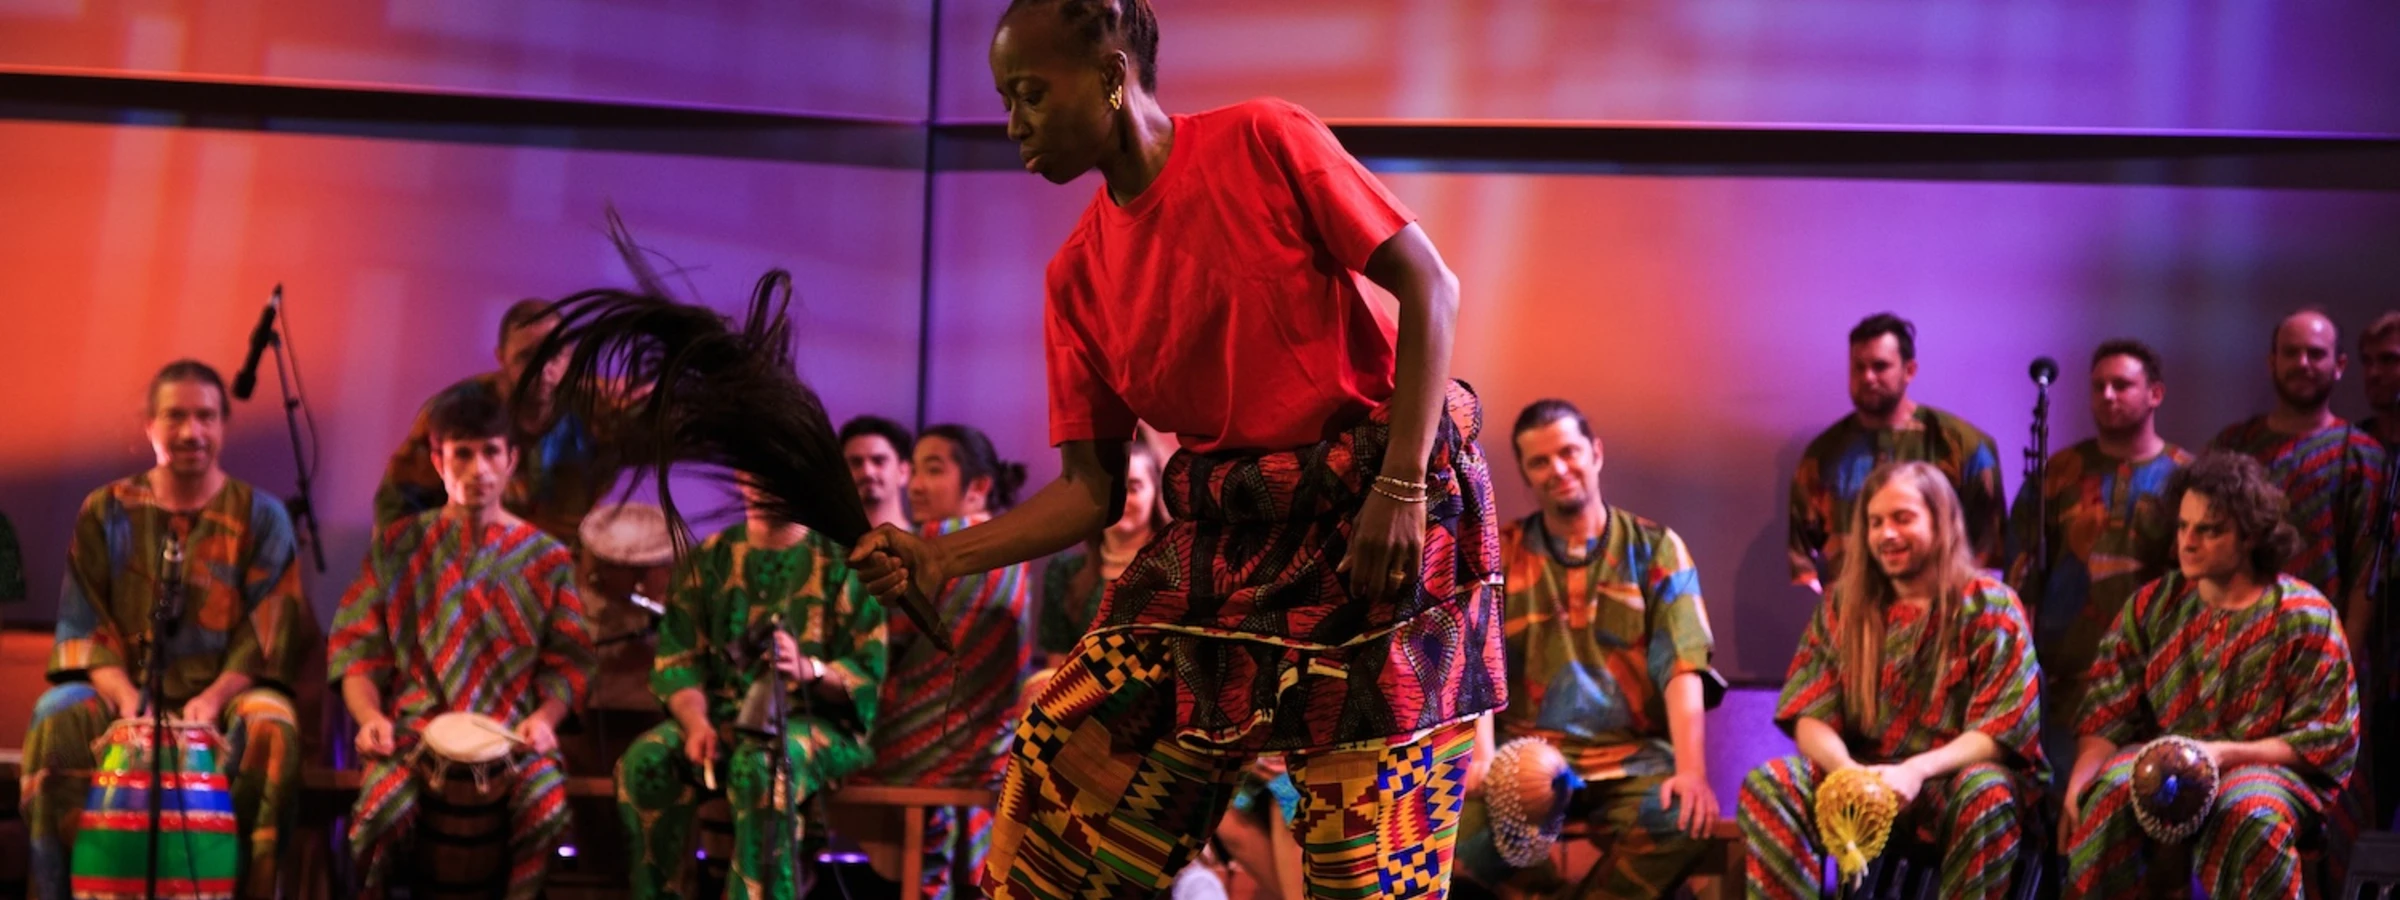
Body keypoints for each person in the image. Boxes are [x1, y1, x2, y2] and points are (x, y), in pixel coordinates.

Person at [848, 3, 1506, 898]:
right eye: (1006, 101)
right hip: (1229, 534)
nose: (1014, 125)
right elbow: (1088, 490)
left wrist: (1400, 489)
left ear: (1112, 78)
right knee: (1067, 766)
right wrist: (939, 557)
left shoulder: (1264, 139)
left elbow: (1430, 285)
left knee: (1363, 858)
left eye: (1031, 94)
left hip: (1375, 513)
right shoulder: (1077, 274)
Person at [20, 360, 313, 900]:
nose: (191, 432)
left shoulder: (262, 516)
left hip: (223, 696)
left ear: (223, 424)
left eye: (205, 416)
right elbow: (84, 620)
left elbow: (269, 630)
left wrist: (213, 699)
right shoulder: (106, 509)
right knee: (55, 715)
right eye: (175, 416)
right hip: (123, 693)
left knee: (273, 725)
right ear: (150, 425)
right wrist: (127, 698)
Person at [329, 380, 596, 900]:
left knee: (546, 806)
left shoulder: (547, 558)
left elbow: (570, 663)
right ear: (438, 460)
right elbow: (357, 649)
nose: (479, 470)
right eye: (463, 454)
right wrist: (369, 718)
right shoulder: (399, 547)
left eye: (491, 452)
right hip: (411, 736)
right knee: (381, 810)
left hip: (513, 738)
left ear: (512, 459)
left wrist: (545, 720)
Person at [2061, 451, 2360, 899]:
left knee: (2247, 815)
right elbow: (2106, 712)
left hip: (2266, 769)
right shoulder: (2153, 606)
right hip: (2164, 764)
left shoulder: (2304, 615)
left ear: (2250, 536)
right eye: (2183, 527)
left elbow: (2327, 736)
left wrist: (2222, 754)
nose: (2188, 542)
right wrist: (2081, 780)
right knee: (2106, 797)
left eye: (2209, 530)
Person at [1740, 461, 2045, 900]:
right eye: (1875, 522)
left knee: (1986, 790)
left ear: (1940, 522)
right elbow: (1809, 713)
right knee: (1772, 782)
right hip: (1863, 776)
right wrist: (1849, 773)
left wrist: (1915, 771)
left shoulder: (1991, 606)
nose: (1887, 534)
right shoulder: (1843, 606)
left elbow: (2002, 730)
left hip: (1949, 783)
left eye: (1903, 518)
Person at [1460, 399, 1722, 899]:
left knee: (1683, 820)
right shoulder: (1501, 553)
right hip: (1525, 760)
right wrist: (1484, 758)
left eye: (1569, 452)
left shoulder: (1656, 547)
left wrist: (1692, 772)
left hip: (1631, 759)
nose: (1558, 469)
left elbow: (1683, 665)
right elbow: (1476, 661)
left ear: (1595, 453)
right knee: (1454, 832)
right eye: (1540, 462)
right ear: (1526, 475)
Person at [616, 478, 888, 900]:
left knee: (762, 767)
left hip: (814, 723)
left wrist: (810, 669)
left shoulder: (842, 563)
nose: (764, 481)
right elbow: (678, 664)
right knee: (645, 763)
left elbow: (866, 675)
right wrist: (696, 724)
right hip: (720, 719)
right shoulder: (710, 559)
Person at [860, 423, 1034, 900]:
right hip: (995, 747)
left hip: (929, 744)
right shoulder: (1013, 546)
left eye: (934, 470)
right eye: (914, 470)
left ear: (977, 486)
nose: (916, 485)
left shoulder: (941, 543)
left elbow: (879, 641)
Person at [2004, 340, 2190, 782]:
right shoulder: (2059, 472)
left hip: (2153, 676)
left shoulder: (2185, 475)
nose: (2107, 395)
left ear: (2155, 394)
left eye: (2121, 385)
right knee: (2061, 794)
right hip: (2065, 678)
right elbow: (2019, 572)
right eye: (2098, 386)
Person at [373, 298, 624, 543]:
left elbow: (646, 431)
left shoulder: (599, 407)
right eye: (527, 357)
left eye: (555, 355)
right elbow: (398, 501)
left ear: (570, 357)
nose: (543, 368)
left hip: (564, 557)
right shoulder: (455, 411)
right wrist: (406, 563)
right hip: (471, 556)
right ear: (501, 357)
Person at [1789, 313, 2007, 595]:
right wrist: (1834, 611)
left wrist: (1962, 608)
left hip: (1941, 611)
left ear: (1909, 370)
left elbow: (1988, 548)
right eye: (1858, 367)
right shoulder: (1823, 455)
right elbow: (1802, 558)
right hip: (1852, 614)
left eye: (1880, 366)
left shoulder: (1962, 446)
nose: (1868, 377)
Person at [2208, 307, 2384, 645]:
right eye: (2291, 353)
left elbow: (2366, 574)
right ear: (2272, 362)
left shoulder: (2363, 457)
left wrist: (2344, 654)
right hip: (2234, 638)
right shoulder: (2232, 446)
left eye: (2315, 354)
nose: (2303, 363)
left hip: (2317, 639)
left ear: (2339, 366)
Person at [1036, 439, 1166, 667]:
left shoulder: (1179, 572)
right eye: (1109, 489)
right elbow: (1057, 666)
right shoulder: (1065, 572)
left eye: (1133, 487)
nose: (1119, 500)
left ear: (1155, 493)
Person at [841, 415, 916, 532]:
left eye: (879, 461)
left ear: (903, 471)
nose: (867, 472)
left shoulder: (930, 540)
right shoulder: (820, 543)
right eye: (856, 462)